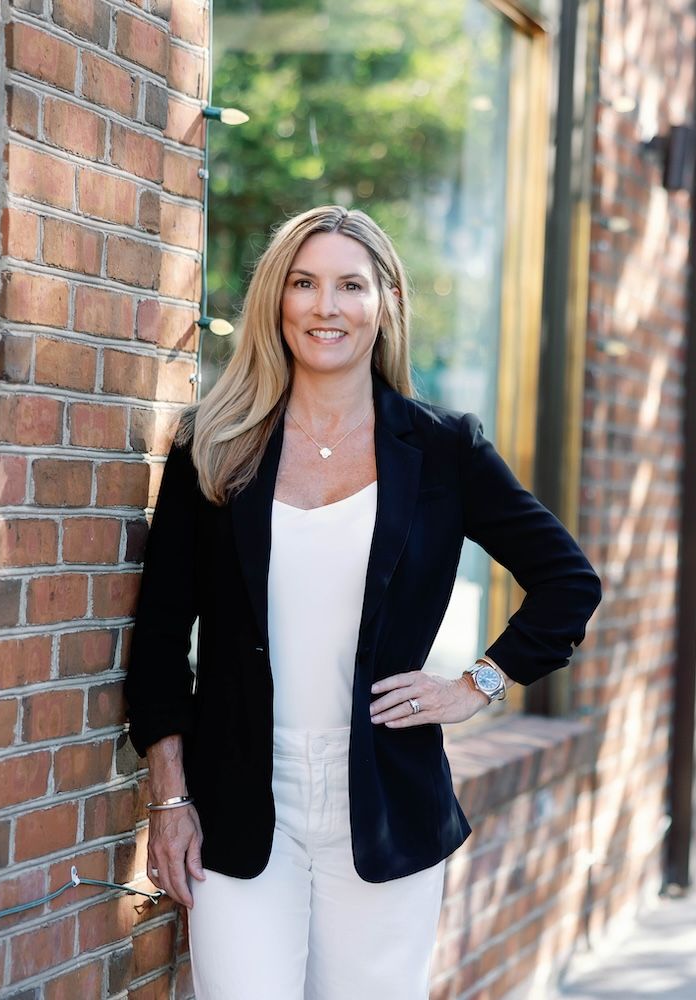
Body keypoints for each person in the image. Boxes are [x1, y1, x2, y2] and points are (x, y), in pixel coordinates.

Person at [123, 205, 602, 999]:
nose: (326, 307)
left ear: (386, 304)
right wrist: (169, 796)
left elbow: (568, 582)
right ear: (277, 301)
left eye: (351, 285)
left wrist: (478, 684)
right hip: (236, 802)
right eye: (304, 283)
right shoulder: (213, 445)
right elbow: (162, 637)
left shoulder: (443, 449)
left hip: (384, 802)